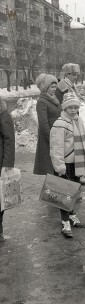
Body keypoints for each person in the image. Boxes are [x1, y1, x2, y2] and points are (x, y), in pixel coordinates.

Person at [50, 92, 85, 238]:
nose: (72, 110)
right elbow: (56, 147)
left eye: (75, 107)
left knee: (74, 193)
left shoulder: (78, 121)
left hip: (77, 164)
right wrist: (59, 167)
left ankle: (72, 216)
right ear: (64, 109)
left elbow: (83, 141)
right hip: (65, 165)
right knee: (64, 195)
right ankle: (65, 224)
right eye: (69, 108)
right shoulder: (60, 124)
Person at [33, 73, 62, 175]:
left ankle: (56, 186)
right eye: (52, 87)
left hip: (57, 133)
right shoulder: (42, 101)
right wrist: (51, 139)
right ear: (45, 88)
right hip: (48, 137)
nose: (54, 89)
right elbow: (43, 123)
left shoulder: (54, 99)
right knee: (49, 164)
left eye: (55, 87)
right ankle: (50, 187)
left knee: (56, 162)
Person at [0, 97, 15, 240]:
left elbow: (9, 139)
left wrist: (8, 163)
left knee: (0, 198)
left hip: (0, 164)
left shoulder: (3, 114)